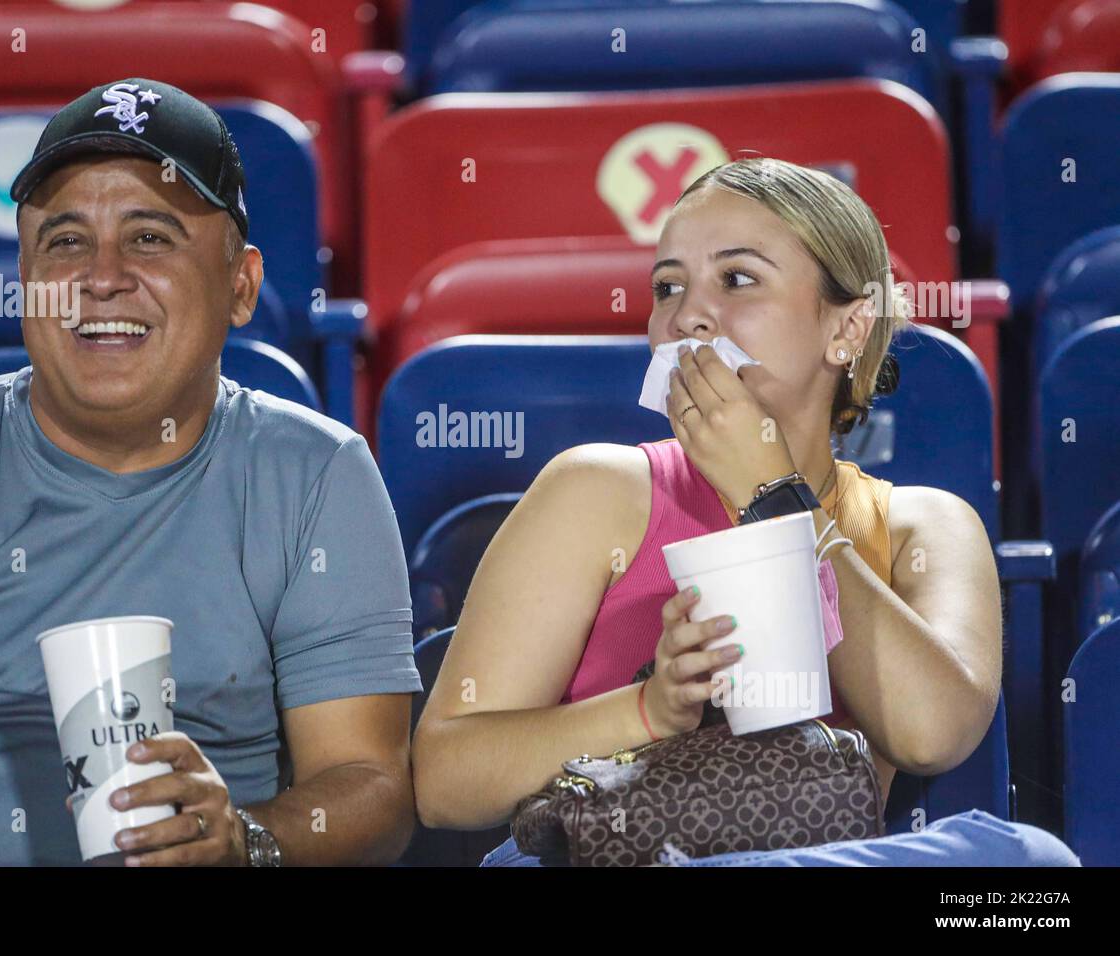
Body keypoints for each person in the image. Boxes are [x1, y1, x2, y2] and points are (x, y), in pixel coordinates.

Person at [411, 157, 1080, 867]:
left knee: (1032, 867)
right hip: (628, 854)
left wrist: (773, 498)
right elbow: (446, 782)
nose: (686, 314)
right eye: (668, 286)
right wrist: (647, 712)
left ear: (848, 329)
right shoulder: (595, 489)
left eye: (737, 279)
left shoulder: (925, 525)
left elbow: (932, 734)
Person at [0, 79, 421, 866]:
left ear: (240, 285)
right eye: (65, 241)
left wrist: (244, 841)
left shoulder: (316, 474)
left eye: (150, 238)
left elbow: (370, 784)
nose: (101, 277)